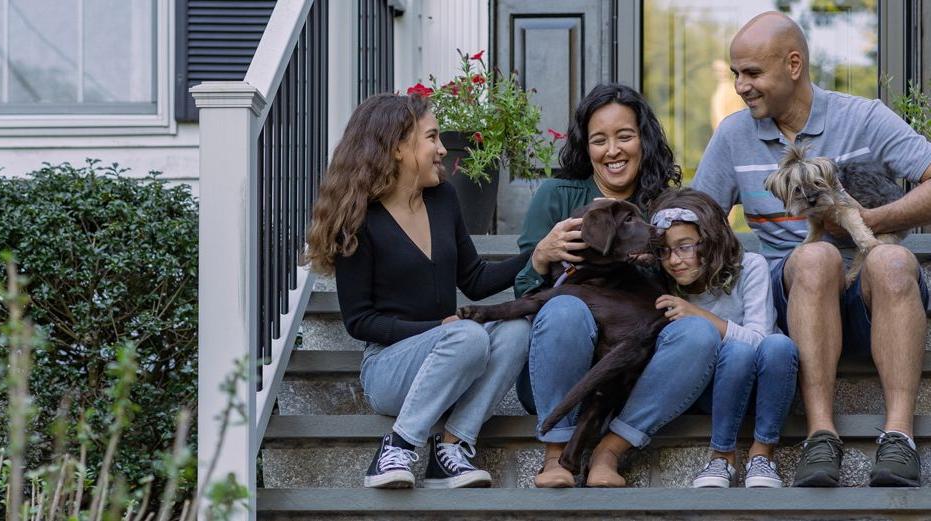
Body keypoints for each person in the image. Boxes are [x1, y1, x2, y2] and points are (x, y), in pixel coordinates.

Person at [693, 11, 931, 487]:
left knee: (892, 259)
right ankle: (821, 436)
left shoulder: (862, 118)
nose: (740, 85)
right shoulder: (733, 135)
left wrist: (870, 221)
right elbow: (699, 221)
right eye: (737, 73)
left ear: (794, 64)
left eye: (752, 73)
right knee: (816, 257)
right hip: (798, 295)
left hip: (872, 301)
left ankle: (899, 436)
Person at [305, 93, 533, 489]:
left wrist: (537, 258)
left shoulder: (443, 198)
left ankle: (452, 448)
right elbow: (360, 322)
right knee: (466, 335)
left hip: (453, 349)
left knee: (517, 329)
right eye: (432, 137)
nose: (443, 149)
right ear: (397, 147)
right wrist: (437, 330)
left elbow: (474, 279)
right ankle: (398, 445)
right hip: (389, 368)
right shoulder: (359, 219)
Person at [516, 83, 720, 488]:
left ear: (643, 139)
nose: (613, 151)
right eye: (599, 140)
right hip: (563, 367)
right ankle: (557, 454)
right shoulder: (558, 196)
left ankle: (609, 452)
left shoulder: (668, 204)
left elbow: (695, 286)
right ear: (585, 146)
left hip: (637, 372)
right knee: (564, 307)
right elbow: (523, 296)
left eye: (624, 136)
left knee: (698, 331)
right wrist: (541, 256)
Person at [648, 188, 798, 488]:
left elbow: (760, 337)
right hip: (710, 391)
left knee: (779, 344)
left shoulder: (749, 266)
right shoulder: (663, 284)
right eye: (664, 250)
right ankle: (721, 457)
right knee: (737, 353)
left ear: (711, 240)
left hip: (768, 386)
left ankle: (763, 453)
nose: (674, 260)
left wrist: (700, 315)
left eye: (685, 246)